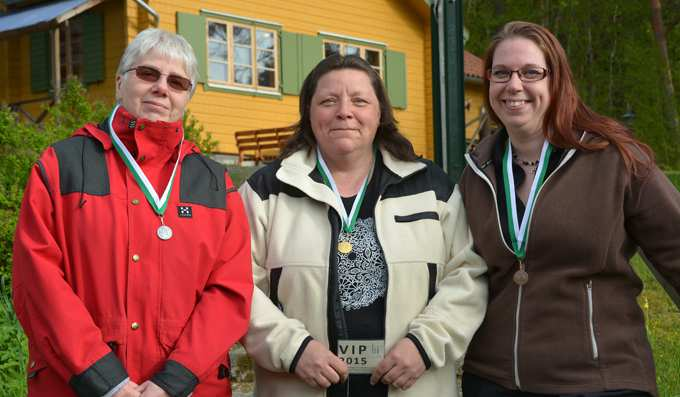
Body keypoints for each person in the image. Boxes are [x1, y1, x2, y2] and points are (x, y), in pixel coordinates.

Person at [12, 28, 253, 397]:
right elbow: (38, 281)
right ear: (119, 82)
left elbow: (230, 291)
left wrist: (172, 381)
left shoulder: (215, 183)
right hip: (75, 386)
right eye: (148, 74)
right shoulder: (61, 165)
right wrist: (107, 382)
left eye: (177, 82)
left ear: (187, 97)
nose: (161, 88)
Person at [238, 54, 488, 397]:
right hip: (297, 386)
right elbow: (235, 284)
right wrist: (293, 350)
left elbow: (468, 274)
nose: (344, 111)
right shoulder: (265, 191)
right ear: (309, 113)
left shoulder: (432, 188)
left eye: (360, 100)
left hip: (412, 386)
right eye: (328, 101)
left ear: (380, 113)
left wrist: (424, 345)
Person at [459, 21, 680, 397]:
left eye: (530, 72)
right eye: (501, 73)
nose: (514, 85)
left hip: (598, 379)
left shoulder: (616, 159)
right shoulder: (476, 170)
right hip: (492, 379)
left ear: (556, 81)